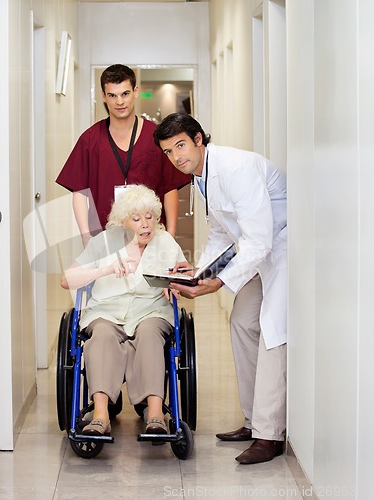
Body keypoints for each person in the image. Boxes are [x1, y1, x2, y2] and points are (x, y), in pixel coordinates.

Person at [154, 113, 287, 465]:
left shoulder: (235, 168)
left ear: (199, 140)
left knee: (273, 330)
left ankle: (269, 434)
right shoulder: (201, 177)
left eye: (180, 146)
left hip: (284, 251)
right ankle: (252, 420)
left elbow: (259, 239)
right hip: (257, 254)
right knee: (242, 323)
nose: (176, 157)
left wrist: (217, 281)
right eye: (168, 152)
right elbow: (221, 232)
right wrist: (200, 271)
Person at [61, 185, 189, 437]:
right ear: (121, 222)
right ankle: (100, 415)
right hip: (107, 312)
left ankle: (155, 414)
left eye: (150, 216)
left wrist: (178, 280)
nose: (146, 224)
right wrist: (104, 270)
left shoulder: (165, 242)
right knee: (102, 336)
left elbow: (182, 274)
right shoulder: (104, 243)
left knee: (151, 334)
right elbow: (67, 279)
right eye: (137, 218)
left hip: (150, 311)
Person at [56, 64, 190, 246]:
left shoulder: (157, 137)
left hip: (151, 238)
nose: (120, 102)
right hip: (104, 240)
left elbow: (170, 188)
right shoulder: (90, 139)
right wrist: (86, 237)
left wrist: (171, 236)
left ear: (135, 91)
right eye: (112, 95)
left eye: (125, 94)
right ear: (103, 96)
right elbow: (79, 192)